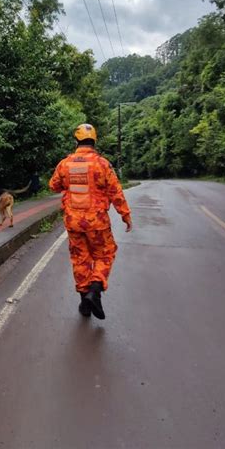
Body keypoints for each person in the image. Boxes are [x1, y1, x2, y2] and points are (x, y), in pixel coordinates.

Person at [49, 123, 132, 320]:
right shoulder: (102, 164)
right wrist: (125, 214)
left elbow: (53, 185)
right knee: (106, 253)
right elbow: (115, 191)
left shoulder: (65, 164)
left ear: (76, 140)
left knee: (80, 259)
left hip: (74, 222)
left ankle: (85, 301)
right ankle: (95, 287)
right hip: (97, 222)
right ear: (94, 140)